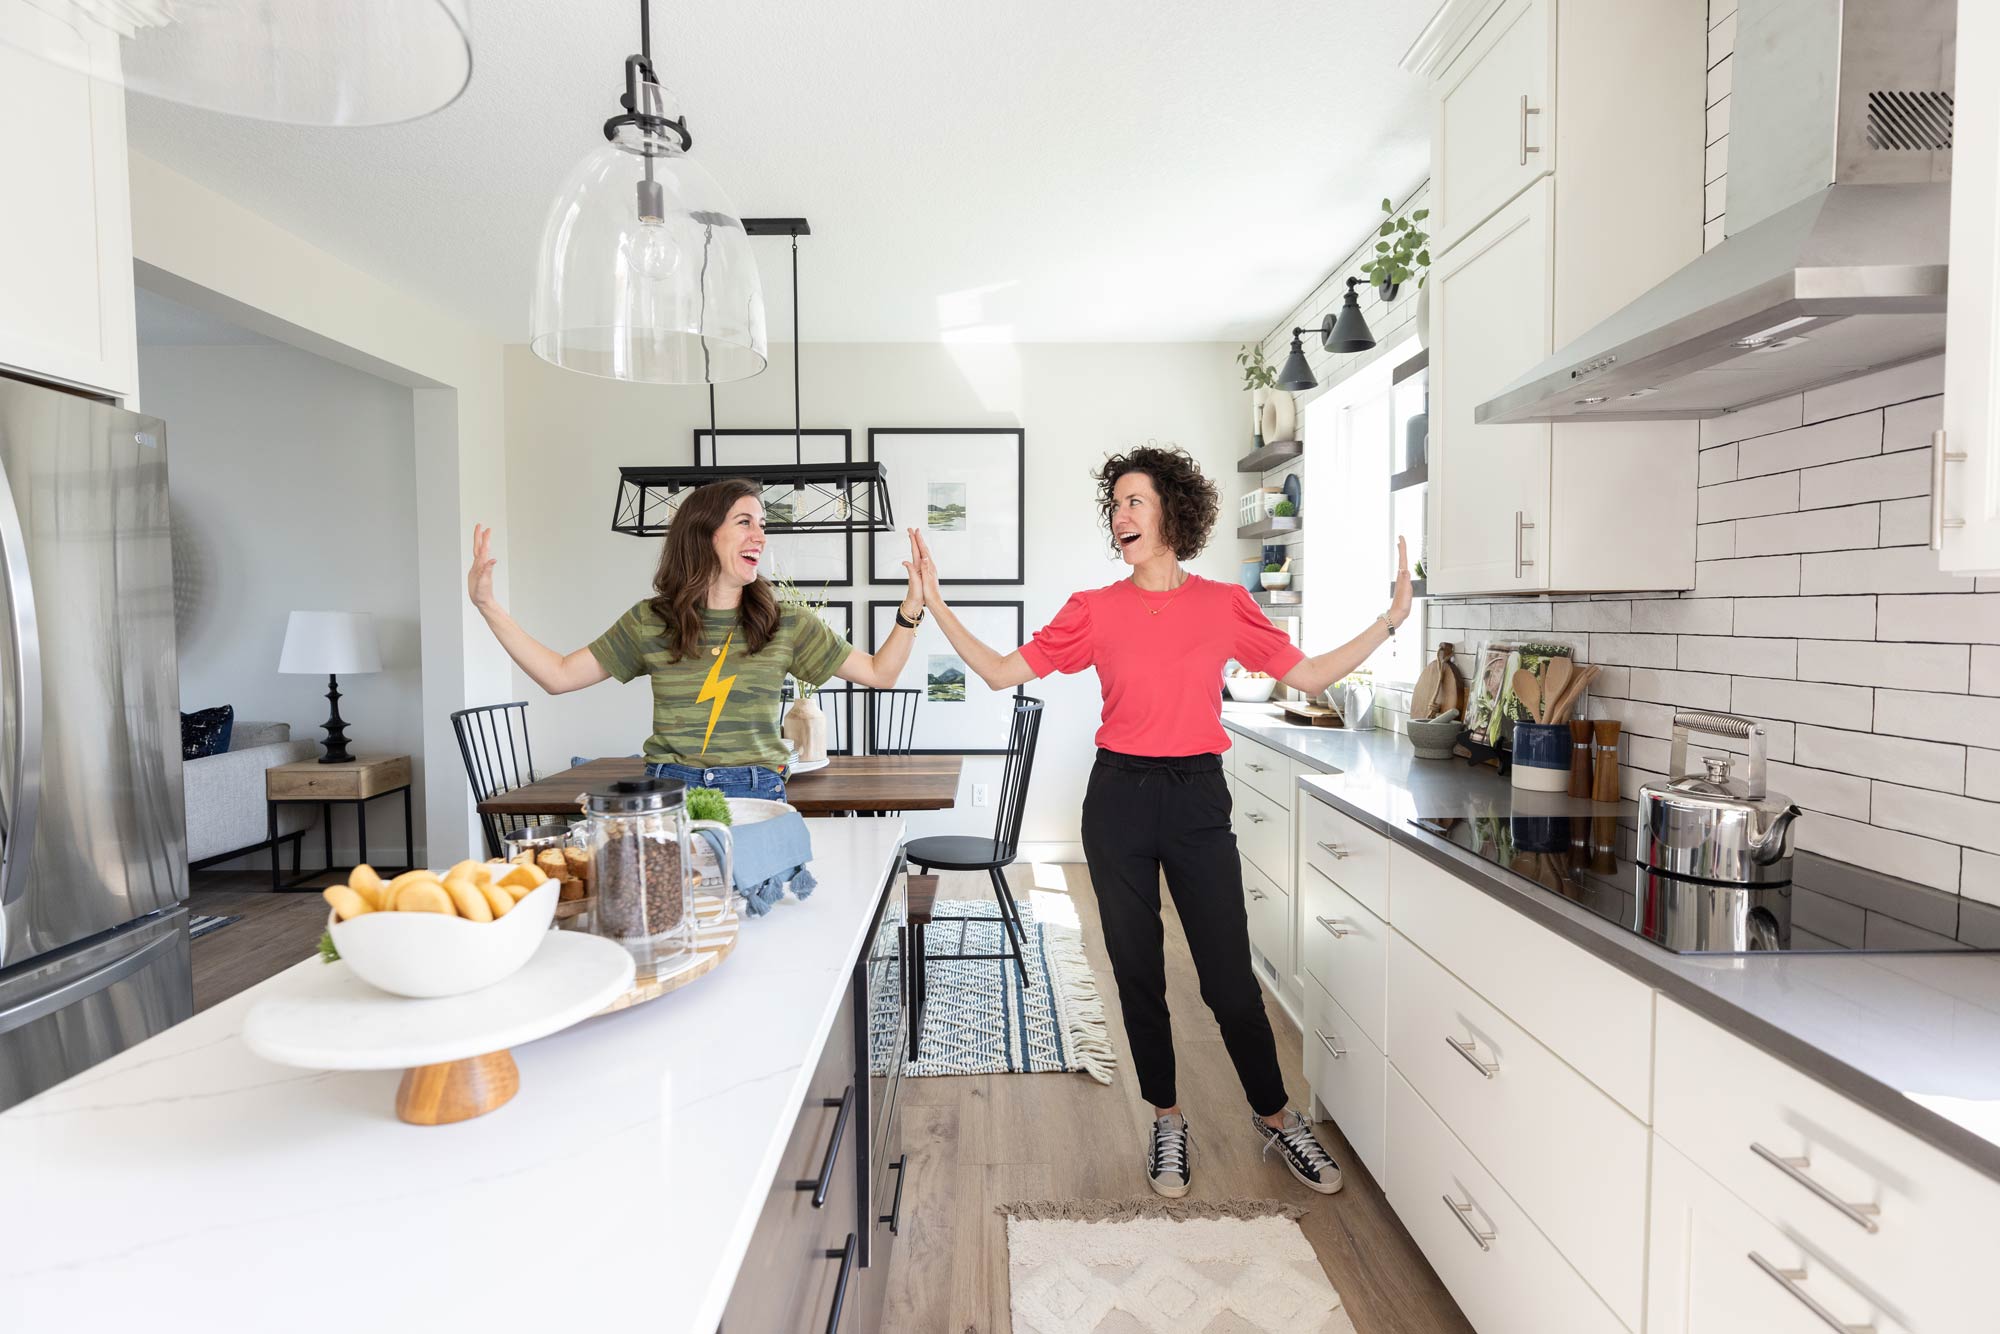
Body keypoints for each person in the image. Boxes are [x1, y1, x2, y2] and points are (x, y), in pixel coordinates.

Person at [905, 444, 1411, 1197]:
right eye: (1115, 506)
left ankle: (1274, 1118)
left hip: (1199, 799)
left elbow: (1304, 675)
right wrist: (936, 604)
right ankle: (1166, 1118)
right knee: (1138, 973)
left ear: (1174, 510)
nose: (1120, 515)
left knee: (1229, 981)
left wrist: (1390, 620)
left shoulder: (1223, 605)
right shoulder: (1094, 610)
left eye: (1134, 501)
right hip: (1117, 801)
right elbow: (1002, 672)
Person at [467, 478, 929, 799]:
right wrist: (488, 606)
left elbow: (879, 674)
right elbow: (559, 676)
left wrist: (912, 608)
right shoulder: (651, 621)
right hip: (671, 791)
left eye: (762, 524)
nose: (760, 536)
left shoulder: (786, 623)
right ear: (704, 534)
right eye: (746, 522)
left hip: (758, 792)